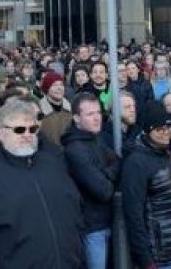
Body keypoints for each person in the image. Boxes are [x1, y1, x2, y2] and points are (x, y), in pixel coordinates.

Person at [0, 97, 84, 268]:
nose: (27, 135)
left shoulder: (54, 164)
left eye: (32, 129)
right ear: (1, 133)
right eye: (19, 129)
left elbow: (75, 212)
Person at [121, 100, 171, 269]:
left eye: (168, 127)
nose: (166, 133)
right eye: (160, 129)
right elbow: (133, 216)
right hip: (159, 258)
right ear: (146, 131)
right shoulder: (136, 163)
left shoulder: (170, 154)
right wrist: (146, 260)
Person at [61, 93, 119, 269]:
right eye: (90, 114)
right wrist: (108, 174)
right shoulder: (75, 150)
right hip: (92, 228)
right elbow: (104, 191)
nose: (97, 118)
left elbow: (117, 161)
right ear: (77, 118)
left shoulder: (95, 138)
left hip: (107, 221)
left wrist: (104, 173)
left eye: (98, 113)